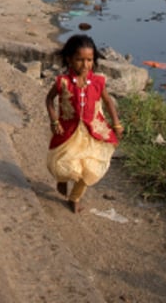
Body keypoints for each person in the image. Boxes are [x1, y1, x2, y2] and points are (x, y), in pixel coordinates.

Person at [45, 35, 123, 213]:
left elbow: (109, 102)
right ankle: (62, 180)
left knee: (90, 169)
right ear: (69, 59)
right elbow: (49, 99)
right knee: (65, 164)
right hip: (69, 131)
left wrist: (116, 124)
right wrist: (54, 119)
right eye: (79, 60)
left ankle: (75, 198)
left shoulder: (98, 82)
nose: (85, 64)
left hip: (93, 132)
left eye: (89, 60)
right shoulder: (62, 82)